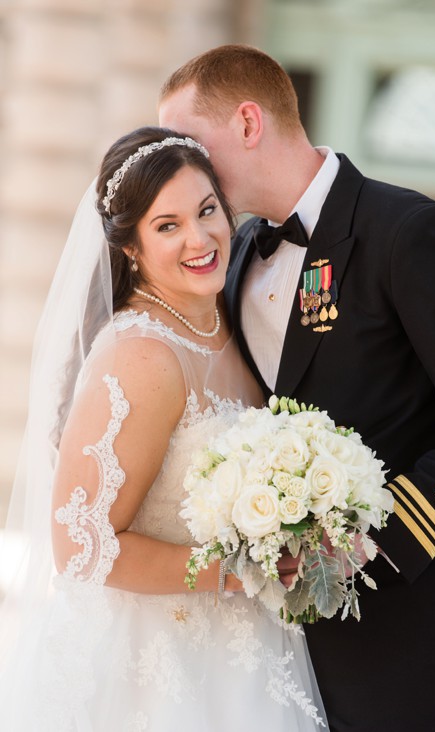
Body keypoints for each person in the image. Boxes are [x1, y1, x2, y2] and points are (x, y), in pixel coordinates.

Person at [158, 45, 435, 731]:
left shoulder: (412, 233)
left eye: (187, 144)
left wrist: (373, 547)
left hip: (399, 618)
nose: (176, 167)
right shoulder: (242, 250)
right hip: (269, 635)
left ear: (249, 122)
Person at [0, 127, 325, 729]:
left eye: (206, 212)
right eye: (167, 225)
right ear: (130, 248)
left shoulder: (232, 318)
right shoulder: (143, 354)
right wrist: (234, 570)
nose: (199, 239)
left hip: (242, 650)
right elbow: (82, 542)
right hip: (151, 665)